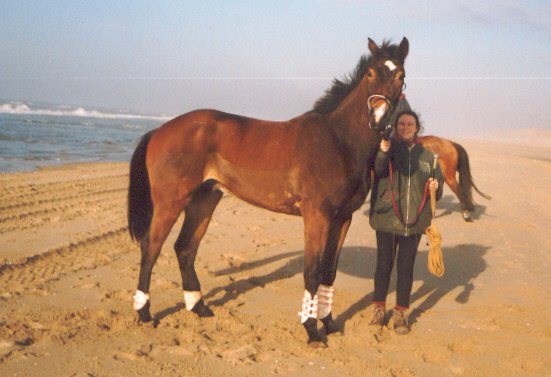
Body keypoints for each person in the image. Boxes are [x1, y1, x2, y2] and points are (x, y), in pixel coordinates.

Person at [368, 109, 443, 334]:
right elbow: (378, 170)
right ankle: (379, 310)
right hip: (387, 219)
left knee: (406, 268)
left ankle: (401, 313)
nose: (406, 127)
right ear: (396, 127)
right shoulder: (387, 150)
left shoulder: (428, 157)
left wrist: (435, 188)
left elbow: (436, 193)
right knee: (383, 265)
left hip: (414, 222)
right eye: (401, 124)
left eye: (410, 124)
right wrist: (382, 152)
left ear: (417, 128)